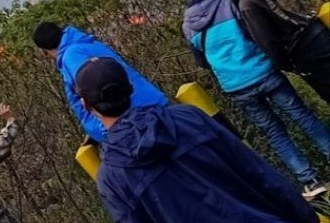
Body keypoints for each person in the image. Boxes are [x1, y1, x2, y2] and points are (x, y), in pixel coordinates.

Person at [78, 57, 319, 223]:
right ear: (130, 88)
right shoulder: (188, 118)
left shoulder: (112, 179)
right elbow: (257, 173)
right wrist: (305, 216)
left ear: (86, 105)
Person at [176, 0, 330, 196]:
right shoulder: (229, 5)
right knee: (302, 115)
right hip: (263, 70)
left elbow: (202, 62)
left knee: (274, 132)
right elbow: (255, 33)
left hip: (236, 86)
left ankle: (310, 181)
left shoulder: (188, 27)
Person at [215, 0, 330, 103]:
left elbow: (267, 41)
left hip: (302, 51)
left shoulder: (247, 3)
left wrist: (285, 64)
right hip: (318, 31)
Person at [32, 22, 168, 142]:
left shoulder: (71, 56)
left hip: (135, 123)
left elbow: (98, 91)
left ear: (44, 51)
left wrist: (104, 128)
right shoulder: (85, 43)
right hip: (150, 106)